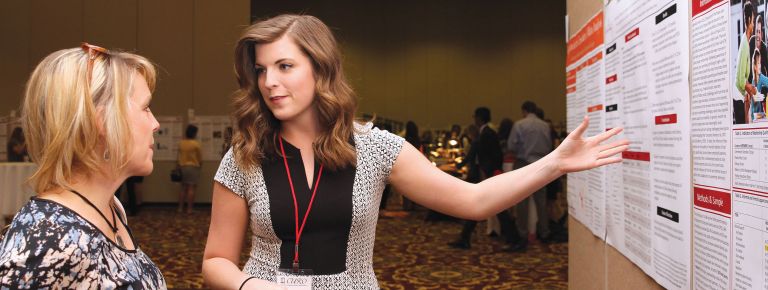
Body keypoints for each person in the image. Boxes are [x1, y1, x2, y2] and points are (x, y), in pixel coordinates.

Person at [202, 14, 628, 289]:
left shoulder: (375, 149)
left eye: (284, 66)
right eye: (261, 70)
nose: (269, 82)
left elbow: (473, 201)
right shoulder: (245, 156)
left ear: (320, 68)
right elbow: (217, 259)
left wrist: (555, 163)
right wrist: (250, 286)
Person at [0, 43, 165, 288]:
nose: (155, 123)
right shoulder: (47, 240)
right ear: (103, 121)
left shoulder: (110, 208)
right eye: (145, 108)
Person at [448, 107, 520, 250]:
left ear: (479, 118)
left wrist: (491, 174)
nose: (473, 119)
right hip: (486, 176)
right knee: (480, 207)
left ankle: (515, 240)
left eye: (474, 116)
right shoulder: (486, 133)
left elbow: (494, 156)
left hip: (488, 176)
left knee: (498, 208)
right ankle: (465, 238)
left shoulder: (487, 134)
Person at [507, 101, 557, 252]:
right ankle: (544, 232)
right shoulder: (545, 125)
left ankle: (522, 234)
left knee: (522, 202)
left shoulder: (519, 125)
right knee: (541, 201)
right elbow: (549, 146)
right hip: (542, 165)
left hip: (523, 164)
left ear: (524, 111)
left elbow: (511, 145)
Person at [736, 1, 756, 124]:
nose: (753, 25)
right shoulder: (744, 44)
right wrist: (752, 89)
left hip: (741, 95)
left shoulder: (746, 41)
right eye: (753, 21)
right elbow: (740, 79)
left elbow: (743, 76)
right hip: (738, 98)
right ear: (749, 20)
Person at [178, 124, 202, 213]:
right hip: (193, 166)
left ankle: (180, 208)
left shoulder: (181, 143)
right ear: (194, 133)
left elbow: (179, 156)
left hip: (183, 166)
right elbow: (199, 158)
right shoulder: (196, 144)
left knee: (183, 188)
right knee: (191, 188)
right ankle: (189, 209)